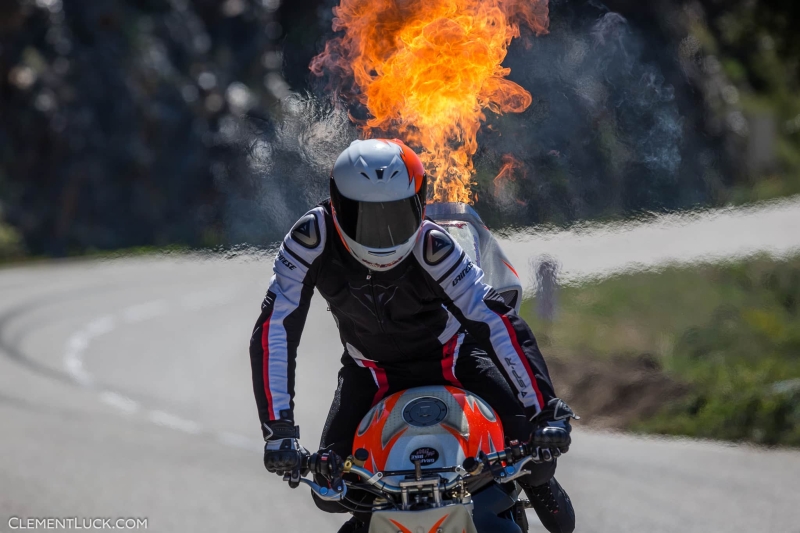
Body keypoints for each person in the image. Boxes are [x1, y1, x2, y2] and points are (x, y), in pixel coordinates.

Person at [249, 138, 577, 533]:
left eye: (396, 216)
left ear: (419, 204)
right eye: (366, 218)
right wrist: (279, 430)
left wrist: (544, 410)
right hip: (369, 371)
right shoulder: (309, 239)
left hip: (453, 359)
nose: (383, 235)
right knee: (328, 491)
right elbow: (275, 331)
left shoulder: (432, 243)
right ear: (336, 205)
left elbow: (494, 319)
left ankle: (536, 487)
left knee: (538, 461)